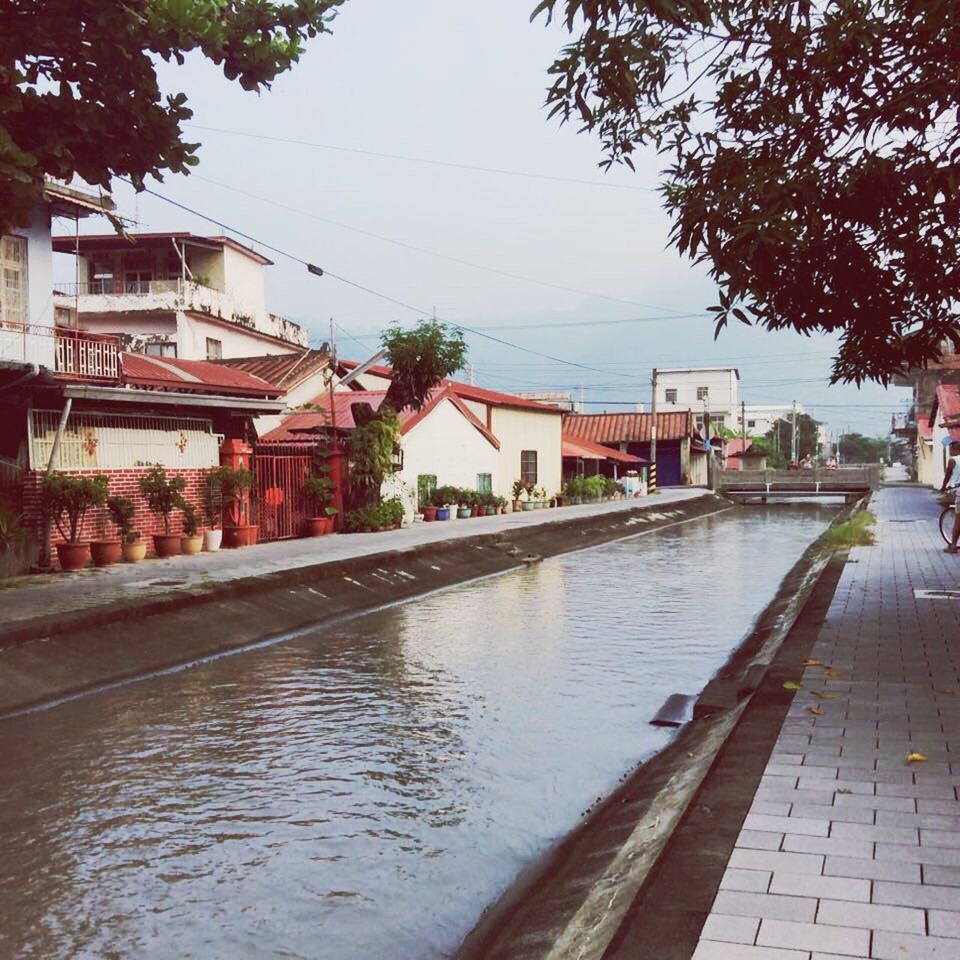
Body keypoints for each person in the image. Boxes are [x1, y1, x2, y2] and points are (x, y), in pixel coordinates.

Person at [940, 440, 960, 552]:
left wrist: (943, 487)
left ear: (956, 449)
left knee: (958, 520)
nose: (950, 450)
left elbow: (947, 476)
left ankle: (953, 546)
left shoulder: (953, 460)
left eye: (951, 448)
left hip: (958, 490)